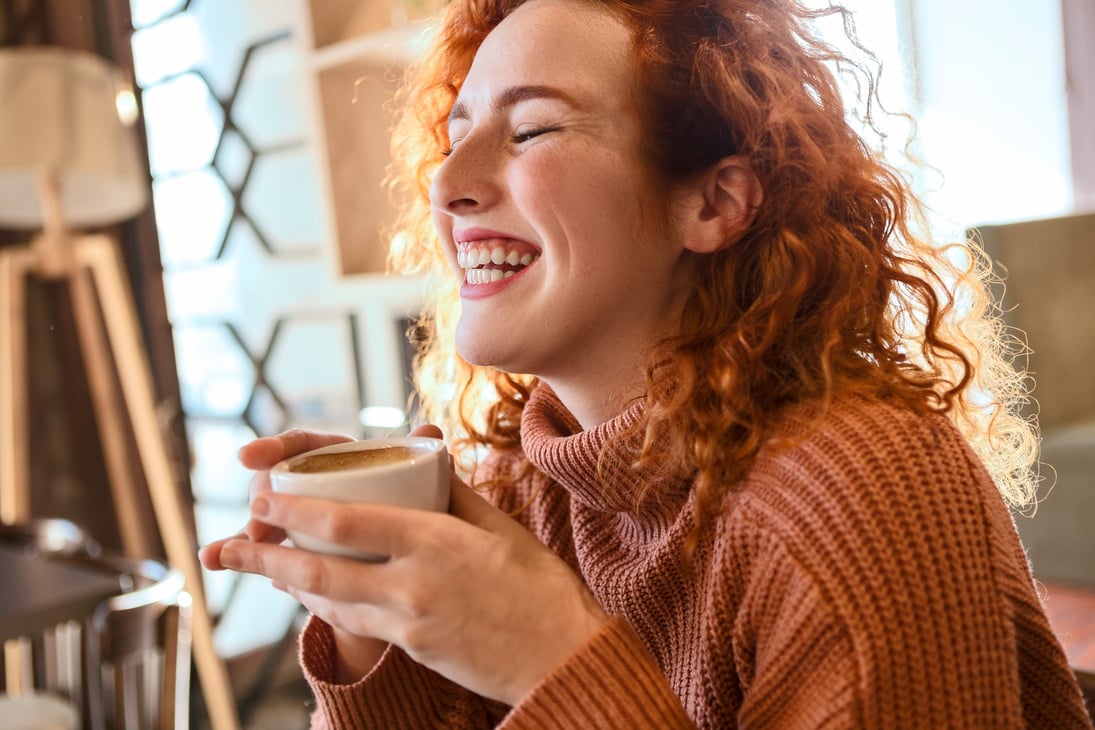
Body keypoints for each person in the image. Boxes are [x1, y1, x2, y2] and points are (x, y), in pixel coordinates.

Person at [200, 0, 1094, 726]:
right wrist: (374, 632)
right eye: (455, 133)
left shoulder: (866, 491)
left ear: (712, 203)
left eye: (532, 130)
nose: (447, 183)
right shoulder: (520, 483)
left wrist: (555, 658)